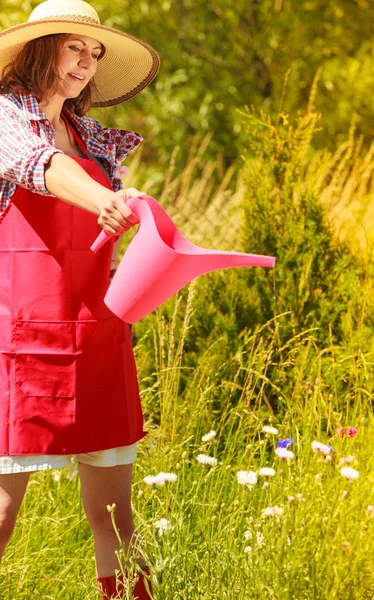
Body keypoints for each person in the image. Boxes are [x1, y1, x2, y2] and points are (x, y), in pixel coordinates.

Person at [0, 0, 160, 598]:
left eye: (95, 53)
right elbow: (39, 166)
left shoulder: (89, 134)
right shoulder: (4, 117)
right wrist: (104, 199)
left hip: (96, 331)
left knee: (116, 516)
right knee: (1, 512)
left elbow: (108, 215)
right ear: (38, 49)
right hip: (17, 336)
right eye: (75, 47)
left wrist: (139, 209)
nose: (87, 62)